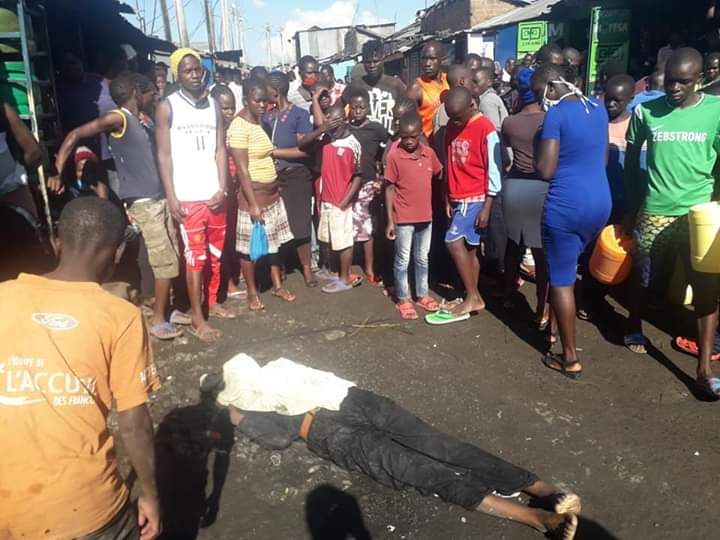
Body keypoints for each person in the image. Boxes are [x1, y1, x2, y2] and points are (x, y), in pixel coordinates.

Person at [212, 353, 581, 540]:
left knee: (424, 469)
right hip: (351, 401)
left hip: (332, 428)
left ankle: (540, 513)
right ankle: (543, 496)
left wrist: (236, 417)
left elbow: (278, 438)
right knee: (440, 451)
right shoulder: (278, 367)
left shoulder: (254, 400)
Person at [0, 197, 161, 540]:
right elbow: (133, 423)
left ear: (55, 241)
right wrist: (150, 495)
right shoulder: (120, 316)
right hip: (87, 512)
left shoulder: (3, 296)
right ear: (118, 252)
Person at [50, 72, 186, 340]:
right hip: (143, 201)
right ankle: (158, 320)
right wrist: (57, 170)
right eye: (150, 93)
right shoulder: (118, 118)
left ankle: (166, 309)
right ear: (136, 92)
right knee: (164, 261)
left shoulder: (140, 120)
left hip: (157, 197)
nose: (154, 96)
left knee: (170, 255)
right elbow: (76, 133)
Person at [623, 48, 720, 398]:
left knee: (706, 287)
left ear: (700, 79)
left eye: (684, 82)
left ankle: (704, 368)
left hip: (698, 216)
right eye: (670, 81)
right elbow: (631, 162)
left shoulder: (716, 111)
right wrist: (631, 207)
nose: (675, 88)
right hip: (654, 210)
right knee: (644, 277)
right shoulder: (645, 111)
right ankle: (634, 324)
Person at [533, 64, 611, 379]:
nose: (540, 99)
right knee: (567, 267)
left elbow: (546, 170)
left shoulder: (556, 115)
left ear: (552, 87)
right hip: (600, 201)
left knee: (561, 279)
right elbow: (603, 158)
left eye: (540, 92)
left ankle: (569, 357)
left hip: (567, 205)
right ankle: (554, 329)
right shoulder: (598, 108)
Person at [156, 48, 231, 342]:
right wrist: (171, 196)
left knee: (215, 255)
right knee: (195, 260)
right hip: (188, 197)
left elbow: (220, 149)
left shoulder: (213, 106)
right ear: (177, 74)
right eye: (188, 71)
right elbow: (164, 156)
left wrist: (223, 187)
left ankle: (213, 302)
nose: (195, 75)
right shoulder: (168, 107)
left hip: (214, 194)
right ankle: (198, 318)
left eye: (197, 69)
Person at [228, 78, 295, 310]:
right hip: (253, 195)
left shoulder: (260, 123)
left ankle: (277, 285)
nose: (263, 105)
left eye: (265, 101)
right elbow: (242, 169)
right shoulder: (239, 127)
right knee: (248, 249)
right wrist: (253, 204)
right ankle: (251, 292)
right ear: (245, 100)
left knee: (274, 243)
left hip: (271, 194)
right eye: (257, 101)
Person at [442, 87, 501, 317]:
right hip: (457, 195)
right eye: (451, 117)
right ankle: (471, 295)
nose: (455, 121)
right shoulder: (451, 126)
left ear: (471, 106)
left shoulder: (485, 128)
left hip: (474, 196)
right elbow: (449, 161)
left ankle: (473, 297)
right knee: (469, 249)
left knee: (452, 241)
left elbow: (494, 169)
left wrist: (488, 205)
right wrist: (447, 195)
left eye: (458, 117)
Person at [500, 67, 549, 330]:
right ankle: (542, 309)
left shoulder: (510, 122)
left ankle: (508, 295)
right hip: (542, 187)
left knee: (513, 246)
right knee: (541, 253)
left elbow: (507, 152)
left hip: (515, 187)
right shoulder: (549, 119)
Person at [385, 112, 443, 320]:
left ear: (420, 134)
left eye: (413, 136)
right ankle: (403, 298)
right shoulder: (394, 157)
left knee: (422, 258)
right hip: (403, 218)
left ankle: (422, 294)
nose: (408, 141)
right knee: (402, 259)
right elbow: (389, 188)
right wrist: (390, 221)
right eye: (404, 137)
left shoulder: (429, 154)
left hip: (425, 217)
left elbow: (439, 174)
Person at [264, 71, 317, 288]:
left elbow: (305, 151)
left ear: (276, 91)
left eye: (267, 88)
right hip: (273, 177)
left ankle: (306, 268)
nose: (264, 92)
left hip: (296, 176)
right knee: (276, 224)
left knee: (300, 224)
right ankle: (282, 266)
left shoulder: (299, 115)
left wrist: (275, 153)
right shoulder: (267, 117)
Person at [315, 103, 363, 294]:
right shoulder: (327, 139)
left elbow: (358, 176)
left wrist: (345, 200)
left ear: (344, 120)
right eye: (328, 120)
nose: (331, 124)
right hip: (326, 199)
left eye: (334, 120)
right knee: (328, 238)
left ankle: (345, 279)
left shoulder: (352, 144)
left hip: (341, 201)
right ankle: (334, 271)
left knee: (343, 241)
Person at [346, 86, 390, 285]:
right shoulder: (345, 130)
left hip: (368, 184)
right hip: (347, 184)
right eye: (354, 107)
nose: (357, 111)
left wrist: (382, 171)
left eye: (361, 107)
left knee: (367, 228)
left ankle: (370, 269)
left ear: (368, 108)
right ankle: (346, 267)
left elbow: (388, 145)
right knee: (347, 226)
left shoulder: (376, 128)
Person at [343, 40, 406, 133]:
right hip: (363, 139)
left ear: (383, 59)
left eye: (376, 61)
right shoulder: (356, 85)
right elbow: (339, 106)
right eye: (368, 62)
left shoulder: (395, 84)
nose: (372, 65)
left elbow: (410, 108)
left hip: (389, 139)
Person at [0, 101, 42, 220]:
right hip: (12, 192)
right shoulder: (4, 109)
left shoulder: (4, 110)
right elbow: (34, 152)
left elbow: (34, 153)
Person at [409, 41, 449, 140]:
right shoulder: (416, 88)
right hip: (428, 144)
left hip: (449, 142)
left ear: (442, 60)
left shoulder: (449, 80)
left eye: (432, 59)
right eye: (424, 58)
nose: (427, 64)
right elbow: (409, 123)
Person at [473, 66, 509, 131]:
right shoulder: (488, 97)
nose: (473, 85)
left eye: (476, 82)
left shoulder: (487, 101)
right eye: (472, 82)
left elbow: (493, 129)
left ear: (489, 83)